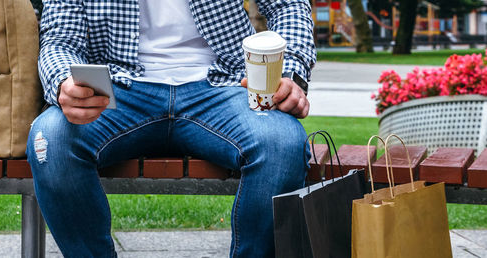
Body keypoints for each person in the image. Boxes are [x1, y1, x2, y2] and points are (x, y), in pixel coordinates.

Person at [28, 0, 316, 257]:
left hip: (222, 83)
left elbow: (288, 6)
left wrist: (288, 72)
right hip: (121, 86)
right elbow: (60, 39)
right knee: (50, 137)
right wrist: (64, 81)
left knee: (282, 141)